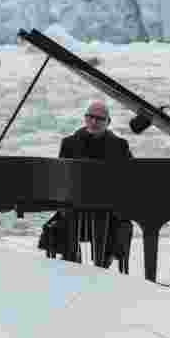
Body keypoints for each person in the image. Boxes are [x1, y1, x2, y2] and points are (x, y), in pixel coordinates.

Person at [38, 100, 134, 272]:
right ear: (85, 118)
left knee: (117, 225)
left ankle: (102, 268)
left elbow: (129, 178)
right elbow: (60, 177)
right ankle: (72, 267)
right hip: (75, 207)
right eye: (90, 117)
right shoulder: (69, 143)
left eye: (99, 118)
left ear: (108, 122)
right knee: (63, 223)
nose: (94, 122)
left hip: (108, 209)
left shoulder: (120, 145)